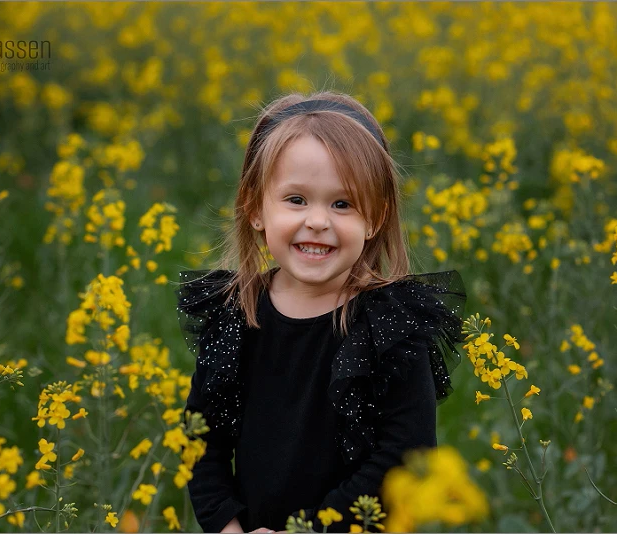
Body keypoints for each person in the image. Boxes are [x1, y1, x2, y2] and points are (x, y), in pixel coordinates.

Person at [174, 91, 467, 533]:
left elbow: (404, 454)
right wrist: (227, 526)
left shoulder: (392, 324)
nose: (317, 221)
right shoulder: (233, 314)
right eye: (296, 200)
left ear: (376, 218)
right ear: (255, 207)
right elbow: (201, 439)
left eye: (342, 204)